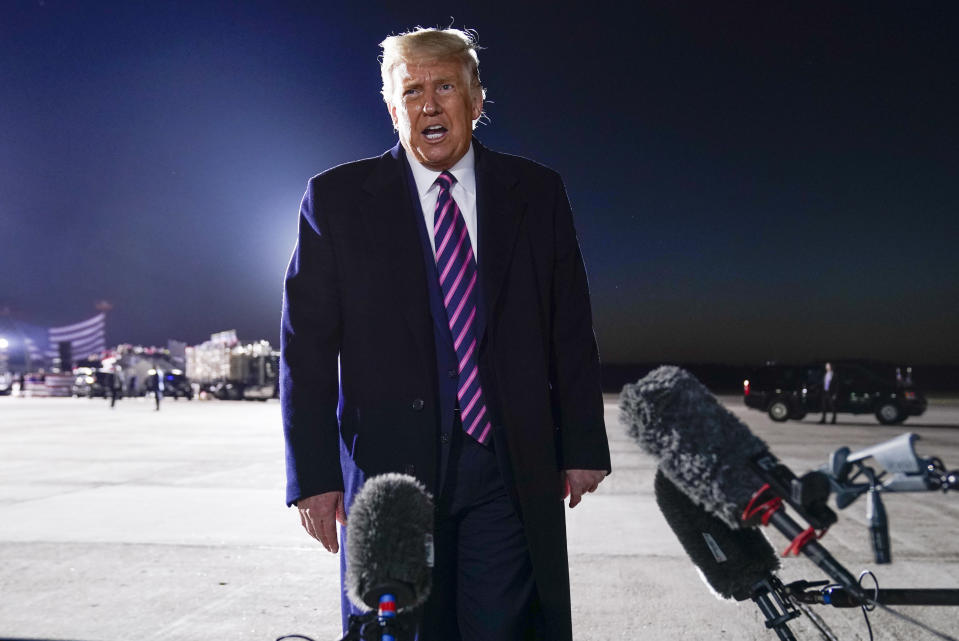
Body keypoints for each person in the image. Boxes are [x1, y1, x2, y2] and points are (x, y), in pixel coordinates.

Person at [280, 27, 611, 641]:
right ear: (391, 106)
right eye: (411, 91)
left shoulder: (536, 194)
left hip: (507, 468)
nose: (428, 104)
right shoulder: (335, 199)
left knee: (504, 628)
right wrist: (315, 476)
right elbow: (306, 349)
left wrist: (583, 444)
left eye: (445, 87)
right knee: (401, 631)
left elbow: (569, 327)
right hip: (389, 480)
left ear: (477, 99)